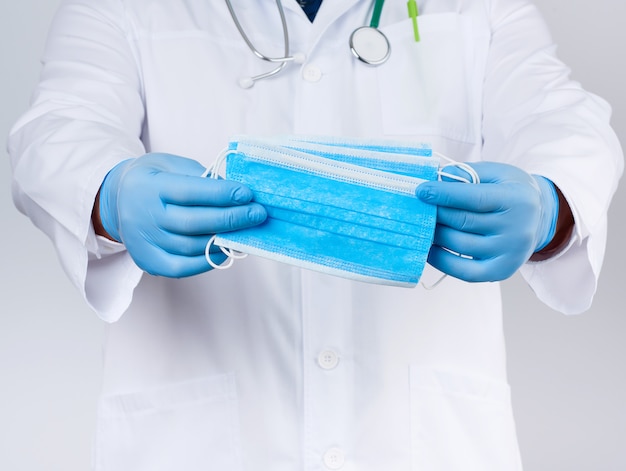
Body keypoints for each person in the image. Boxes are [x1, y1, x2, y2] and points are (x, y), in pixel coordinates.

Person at [7, 0, 622, 469]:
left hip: (419, 446)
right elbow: (58, 128)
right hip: (203, 444)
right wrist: (107, 192)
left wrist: (553, 203)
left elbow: (561, 117)